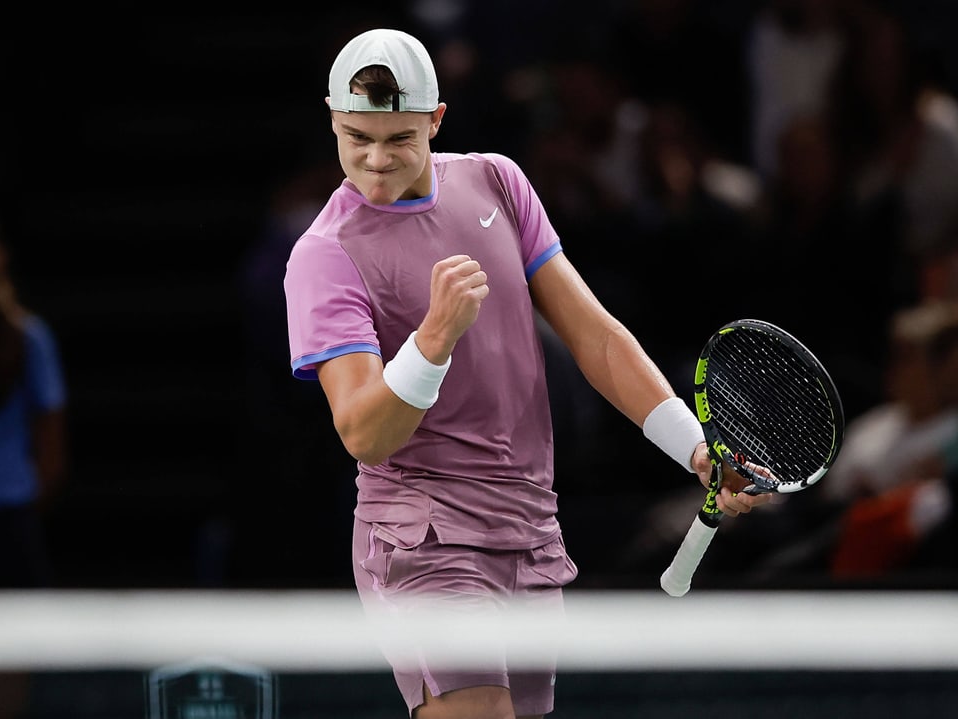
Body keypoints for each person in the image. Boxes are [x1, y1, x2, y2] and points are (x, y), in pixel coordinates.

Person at [283, 28, 771, 719]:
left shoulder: (496, 182)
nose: (375, 158)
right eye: (356, 136)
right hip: (425, 541)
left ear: (436, 120)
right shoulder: (324, 255)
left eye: (398, 139)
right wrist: (432, 339)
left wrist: (692, 447)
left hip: (531, 532)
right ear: (333, 120)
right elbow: (364, 431)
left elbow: (595, 337)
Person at [0, 230, 68, 588]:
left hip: (15, 506)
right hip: (15, 503)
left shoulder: (29, 339)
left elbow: (51, 438)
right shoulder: (33, 337)